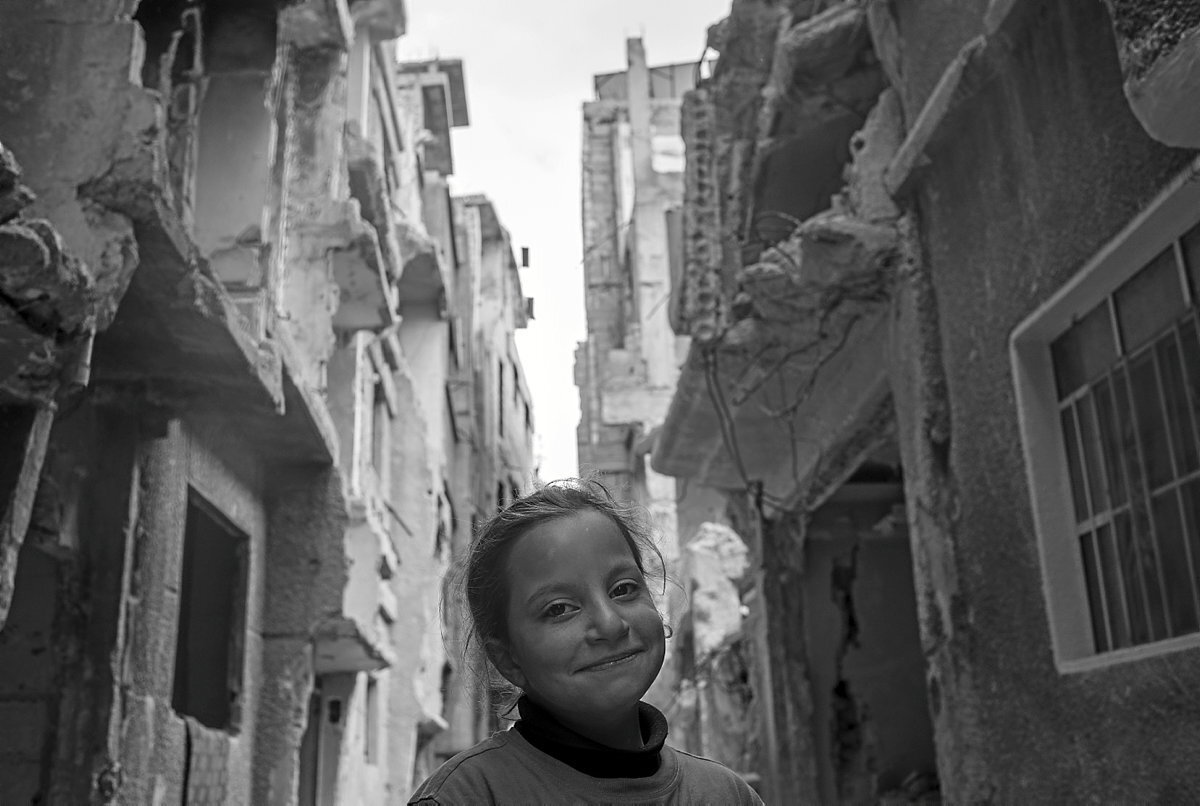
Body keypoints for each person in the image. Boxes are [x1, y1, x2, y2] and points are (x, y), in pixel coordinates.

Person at [408, 480, 764, 805]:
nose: (610, 624)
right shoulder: (468, 797)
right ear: (508, 658)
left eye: (623, 589)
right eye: (560, 609)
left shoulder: (725, 795)